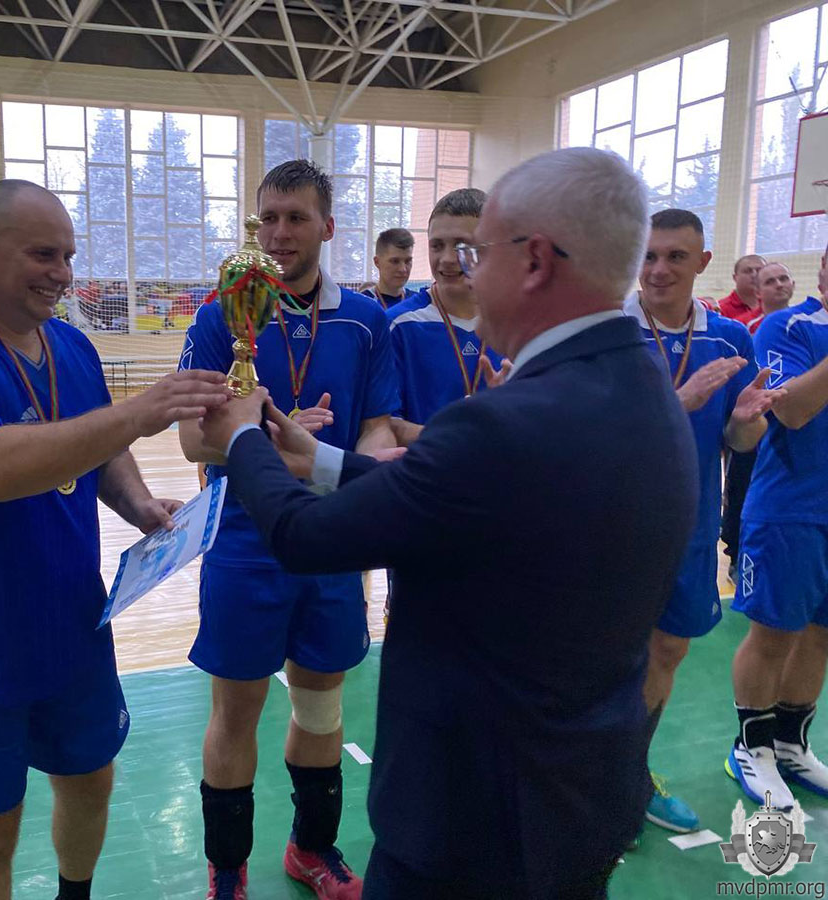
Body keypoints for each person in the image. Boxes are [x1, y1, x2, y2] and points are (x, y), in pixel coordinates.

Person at [198, 147, 699, 899]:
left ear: (534, 260)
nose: (461, 271)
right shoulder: (646, 390)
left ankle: (310, 843)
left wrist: (243, 436)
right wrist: (319, 459)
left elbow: (307, 537)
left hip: (470, 823)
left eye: (477, 253)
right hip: (579, 805)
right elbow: (461, 497)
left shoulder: (503, 421)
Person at [0, 179, 231, 900]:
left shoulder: (71, 345)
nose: (63, 273)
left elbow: (99, 447)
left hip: (74, 620)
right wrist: (139, 413)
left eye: (68, 256)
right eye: (44, 254)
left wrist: (137, 504)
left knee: (91, 780)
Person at [178, 159, 398, 900]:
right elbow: (194, 440)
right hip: (244, 542)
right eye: (268, 217)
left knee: (320, 704)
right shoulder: (221, 316)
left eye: (295, 218)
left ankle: (311, 849)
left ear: (327, 227)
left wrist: (341, 465)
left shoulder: (365, 320)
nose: (278, 233)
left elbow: (376, 426)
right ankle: (227, 871)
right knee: (235, 712)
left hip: (333, 540)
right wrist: (272, 447)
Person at [624, 209, 780, 835]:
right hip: (606, 527)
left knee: (667, 648)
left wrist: (745, 423)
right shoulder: (605, 333)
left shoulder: (731, 340)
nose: (659, 269)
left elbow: (736, 442)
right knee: (600, 658)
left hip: (687, 524)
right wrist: (676, 402)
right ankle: (582, 779)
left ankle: (629, 775)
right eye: (649, 255)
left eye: (675, 257)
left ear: (703, 263)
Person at [727, 243, 828, 810]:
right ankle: (752, 748)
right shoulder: (786, 326)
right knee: (774, 635)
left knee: (821, 635)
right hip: (789, 508)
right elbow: (791, 410)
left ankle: (791, 743)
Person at [386, 188, 506, 448]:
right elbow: (384, 424)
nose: (448, 259)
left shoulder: (515, 325)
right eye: (437, 246)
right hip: (426, 468)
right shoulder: (399, 326)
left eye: (462, 246)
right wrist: (458, 438)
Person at [721, 262, 799, 580]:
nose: (779, 284)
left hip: (788, 431)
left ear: (793, 285)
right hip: (752, 426)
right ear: (758, 292)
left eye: (784, 278)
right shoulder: (744, 329)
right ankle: (736, 554)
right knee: (742, 486)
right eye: (770, 281)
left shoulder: (806, 326)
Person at [360, 227, 417, 309]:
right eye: (395, 261)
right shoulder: (362, 304)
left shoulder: (419, 304)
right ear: (377, 262)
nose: (403, 269)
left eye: (408, 261)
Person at [719, 254, 767, 330]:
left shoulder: (772, 306)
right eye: (748, 271)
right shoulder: (720, 310)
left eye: (759, 270)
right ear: (735, 277)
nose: (754, 275)